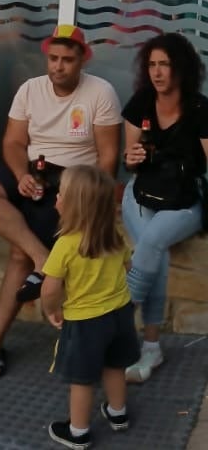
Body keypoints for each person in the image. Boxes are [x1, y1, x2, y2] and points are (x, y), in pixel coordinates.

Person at [0, 25, 121, 380]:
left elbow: (108, 156)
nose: (58, 67)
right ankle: (43, 258)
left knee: (17, 254)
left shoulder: (101, 92)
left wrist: (88, 200)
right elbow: (12, 142)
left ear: (82, 59)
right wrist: (21, 174)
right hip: (34, 168)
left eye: (67, 60)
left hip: (74, 179)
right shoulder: (30, 89)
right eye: (53, 58)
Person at [116, 34, 207, 383]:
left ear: (181, 69)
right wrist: (133, 156)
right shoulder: (141, 102)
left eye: (165, 65)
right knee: (157, 253)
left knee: (151, 244)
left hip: (184, 200)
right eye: (152, 65)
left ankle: (117, 324)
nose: (157, 72)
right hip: (140, 195)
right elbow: (130, 159)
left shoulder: (199, 108)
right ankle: (150, 348)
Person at [39, 166, 137, 449]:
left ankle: (78, 432)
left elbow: (50, 288)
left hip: (85, 322)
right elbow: (128, 266)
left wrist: (51, 310)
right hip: (120, 314)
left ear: (73, 206)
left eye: (60, 195)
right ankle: (118, 414)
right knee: (115, 365)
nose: (56, 198)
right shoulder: (115, 236)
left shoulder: (65, 245)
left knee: (81, 380)